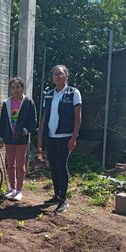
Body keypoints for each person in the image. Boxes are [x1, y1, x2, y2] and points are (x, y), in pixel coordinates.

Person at [36, 65, 82, 213]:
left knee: (62, 166)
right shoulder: (49, 94)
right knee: (54, 167)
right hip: (51, 136)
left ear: (66, 76)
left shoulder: (73, 93)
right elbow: (44, 118)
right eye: (55, 74)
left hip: (65, 137)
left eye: (60, 74)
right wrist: (40, 139)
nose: (57, 76)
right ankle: (56, 195)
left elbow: (77, 118)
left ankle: (63, 200)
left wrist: (74, 137)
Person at [0, 77, 37, 201]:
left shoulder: (28, 102)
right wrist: (0, 137)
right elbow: (3, 121)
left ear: (22, 88)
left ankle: (19, 190)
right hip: (9, 139)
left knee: (20, 165)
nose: (15, 90)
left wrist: (26, 130)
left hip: (21, 140)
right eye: (13, 87)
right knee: (10, 165)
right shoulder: (6, 103)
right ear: (10, 89)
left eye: (18, 87)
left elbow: (33, 120)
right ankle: (12, 188)